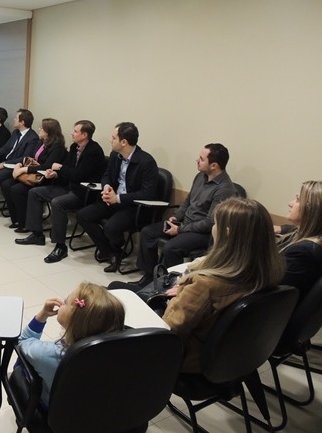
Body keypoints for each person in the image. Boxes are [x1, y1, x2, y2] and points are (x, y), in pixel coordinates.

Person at [161, 197, 285, 373]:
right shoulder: (270, 273)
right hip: (237, 357)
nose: (213, 228)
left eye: (215, 223)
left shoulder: (204, 285)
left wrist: (181, 293)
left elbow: (170, 330)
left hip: (189, 360)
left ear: (226, 233)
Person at [133, 143, 237, 287]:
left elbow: (209, 223)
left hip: (202, 233)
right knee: (148, 232)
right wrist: (176, 217)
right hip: (185, 223)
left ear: (214, 165)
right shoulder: (200, 176)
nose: (197, 160)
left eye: (201, 159)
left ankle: (173, 285)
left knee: (171, 248)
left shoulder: (224, 189)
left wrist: (180, 229)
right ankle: (150, 276)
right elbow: (188, 201)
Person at [17, 282, 125, 406]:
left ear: (74, 320)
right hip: (93, 409)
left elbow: (22, 341)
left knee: (21, 364)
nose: (62, 301)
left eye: (66, 301)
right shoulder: (117, 353)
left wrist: (43, 314)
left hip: (54, 410)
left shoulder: (48, 354)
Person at [15, 120, 106, 263]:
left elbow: (79, 175)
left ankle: (60, 246)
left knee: (57, 203)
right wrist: (55, 174)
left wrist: (60, 169)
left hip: (83, 193)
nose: (72, 133)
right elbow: (67, 169)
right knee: (35, 192)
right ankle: (37, 235)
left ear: (84, 135)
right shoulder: (74, 147)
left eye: (75, 131)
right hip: (68, 187)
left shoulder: (94, 151)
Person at [75, 122, 158, 272]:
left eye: (114, 138)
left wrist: (118, 198)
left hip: (134, 207)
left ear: (124, 142)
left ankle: (114, 251)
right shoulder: (115, 155)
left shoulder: (146, 162)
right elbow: (106, 175)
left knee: (111, 227)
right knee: (83, 215)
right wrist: (107, 187)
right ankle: (110, 252)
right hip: (113, 199)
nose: (110, 140)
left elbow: (147, 193)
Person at [0, 117, 67, 232]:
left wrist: (24, 170)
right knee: (6, 185)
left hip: (44, 177)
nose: (39, 129)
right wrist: (20, 165)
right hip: (32, 172)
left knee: (17, 190)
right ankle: (16, 219)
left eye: (42, 128)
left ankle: (25, 223)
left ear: (49, 131)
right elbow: (30, 157)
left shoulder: (57, 146)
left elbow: (47, 166)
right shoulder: (41, 142)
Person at [276, 181, 322, 304]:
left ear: (311, 209)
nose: (290, 203)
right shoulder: (314, 240)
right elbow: (293, 229)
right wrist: (280, 228)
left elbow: (270, 291)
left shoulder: (303, 252)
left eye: (297, 199)